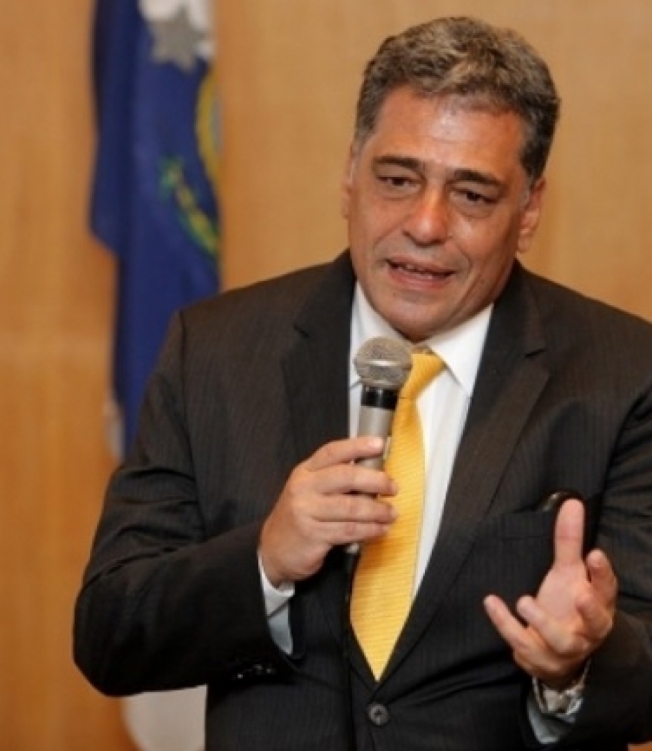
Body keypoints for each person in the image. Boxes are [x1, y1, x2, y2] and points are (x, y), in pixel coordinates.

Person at [74, 16, 652, 751]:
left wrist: (575, 665)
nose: (426, 224)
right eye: (397, 180)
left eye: (472, 195)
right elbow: (110, 632)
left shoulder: (623, 373)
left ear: (529, 209)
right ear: (350, 173)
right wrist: (265, 560)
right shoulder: (213, 351)